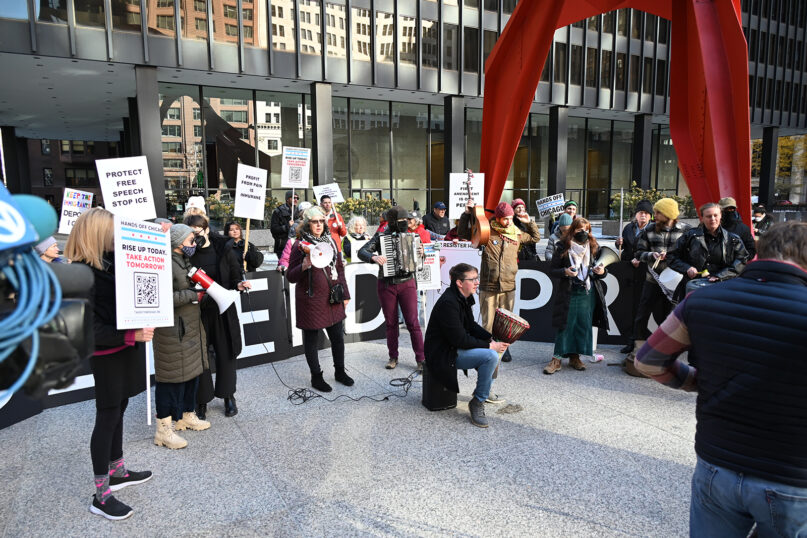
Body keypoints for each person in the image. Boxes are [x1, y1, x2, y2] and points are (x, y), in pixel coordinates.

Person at [635, 222, 807, 536]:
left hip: (717, 465)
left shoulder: (702, 301)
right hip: (792, 479)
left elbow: (648, 361)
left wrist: (695, 381)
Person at [64, 207, 153, 521]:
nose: (119, 236)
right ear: (97, 234)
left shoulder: (110, 264)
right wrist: (132, 334)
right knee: (108, 415)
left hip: (124, 347)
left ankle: (117, 470)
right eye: (113, 231)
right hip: (107, 352)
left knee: (121, 406)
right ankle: (101, 495)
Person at [424, 263, 509, 428]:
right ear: (459, 282)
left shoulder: (463, 297)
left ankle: (485, 389)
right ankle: (478, 401)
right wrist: (489, 346)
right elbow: (460, 340)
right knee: (490, 355)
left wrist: (490, 338)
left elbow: (470, 326)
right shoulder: (449, 303)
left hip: (453, 347)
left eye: (477, 278)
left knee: (493, 350)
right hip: (443, 354)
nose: (477, 282)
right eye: (473, 279)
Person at [184, 214, 251, 419]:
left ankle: (228, 396)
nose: (196, 237)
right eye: (191, 234)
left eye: (198, 232)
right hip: (197, 311)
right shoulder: (187, 253)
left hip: (222, 311)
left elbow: (234, 274)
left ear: (206, 229)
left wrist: (239, 284)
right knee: (199, 356)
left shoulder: (224, 249)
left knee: (226, 352)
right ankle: (201, 400)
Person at [152, 224, 211, 450]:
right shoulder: (163, 262)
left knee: (191, 374)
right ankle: (163, 429)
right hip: (172, 331)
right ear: (177, 243)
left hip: (189, 327)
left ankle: (187, 414)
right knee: (171, 380)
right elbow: (160, 297)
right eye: (189, 241)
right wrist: (192, 294)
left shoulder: (182, 261)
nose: (193, 244)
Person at [459, 200, 540, 363]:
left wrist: (529, 222)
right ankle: (487, 349)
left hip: (508, 286)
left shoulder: (516, 233)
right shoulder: (487, 231)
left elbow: (535, 238)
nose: (509, 221)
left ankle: (504, 349)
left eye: (510, 218)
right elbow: (463, 234)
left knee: (506, 324)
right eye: (505, 219)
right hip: (489, 285)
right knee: (487, 322)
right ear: (498, 218)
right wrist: (466, 215)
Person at [287, 206, 354, 391]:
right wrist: (303, 266)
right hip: (311, 300)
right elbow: (290, 277)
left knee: (338, 338)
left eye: (321, 221)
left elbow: (340, 269)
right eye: (314, 222)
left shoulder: (332, 241)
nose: (318, 225)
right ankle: (316, 377)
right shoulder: (299, 245)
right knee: (311, 340)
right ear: (307, 224)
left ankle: (339, 372)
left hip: (332, 298)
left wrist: (345, 295)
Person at [358, 206, 426, 371]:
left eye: (407, 220)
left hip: (407, 282)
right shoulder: (381, 235)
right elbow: (362, 251)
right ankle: (393, 356)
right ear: (394, 222)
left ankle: (421, 359)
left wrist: (422, 253)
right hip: (387, 284)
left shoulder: (414, 236)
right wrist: (373, 257)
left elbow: (420, 262)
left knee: (413, 322)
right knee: (391, 323)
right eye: (403, 220)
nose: (407, 223)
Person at [625, 198, 690, 361]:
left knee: (670, 317)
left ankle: (666, 352)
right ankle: (637, 349)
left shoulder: (686, 231)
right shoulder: (649, 230)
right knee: (642, 313)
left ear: (668, 213)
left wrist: (674, 258)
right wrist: (651, 255)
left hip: (675, 282)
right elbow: (638, 252)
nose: (653, 215)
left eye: (657, 212)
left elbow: (691, 255)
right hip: (653, 279)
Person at [544, 217, 609, 375]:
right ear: (573, 230)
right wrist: (564, 272)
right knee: (565, 325)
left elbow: (603, 270)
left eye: (587, 230)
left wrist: (602, 272)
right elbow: (552, 270)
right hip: (569, 291)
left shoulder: (593, 247)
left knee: (582, 324)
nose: (584, 233)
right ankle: (556, 359)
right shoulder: (562, 246)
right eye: (580, 230)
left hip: (587, 292)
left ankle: (575, 357)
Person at [667, 202, 749, 300]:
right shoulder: (690, 236)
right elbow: (671, 256)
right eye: (708, 216)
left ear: (721, 216)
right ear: (702, 218)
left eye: (715, 215)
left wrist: (720, 276)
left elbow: (742, 260)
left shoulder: (733, 239)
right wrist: (687, 268)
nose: (713, 219)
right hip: (693, 288)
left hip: (722, 288)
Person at [614, 199, 653, 353]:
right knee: (629, 306)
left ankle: (640, 341)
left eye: (646, 213)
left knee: (641, 308)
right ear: (636, 214)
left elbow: (655, 249)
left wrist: (641, 259)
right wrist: (619, 243)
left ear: (650, 216)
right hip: (629, 270)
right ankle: (630, 341)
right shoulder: (628, 228)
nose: (642, 215)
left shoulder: (654, 229)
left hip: (646, 272)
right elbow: (624, 248)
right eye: (640, 212)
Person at [277, 201, 312, 272]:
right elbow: (287, 255)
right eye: (304, 212)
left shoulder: (322, 239)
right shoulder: (293, 241)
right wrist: (284, 265)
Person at [270, 190, 297, 258]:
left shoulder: (298, 211)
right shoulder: (278, 211)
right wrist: (287, 226)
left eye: (297, 198)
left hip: (295, 245)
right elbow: (273, 229)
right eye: (293, 198)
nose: (296, 200)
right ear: (287, 199)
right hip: (282, 246)